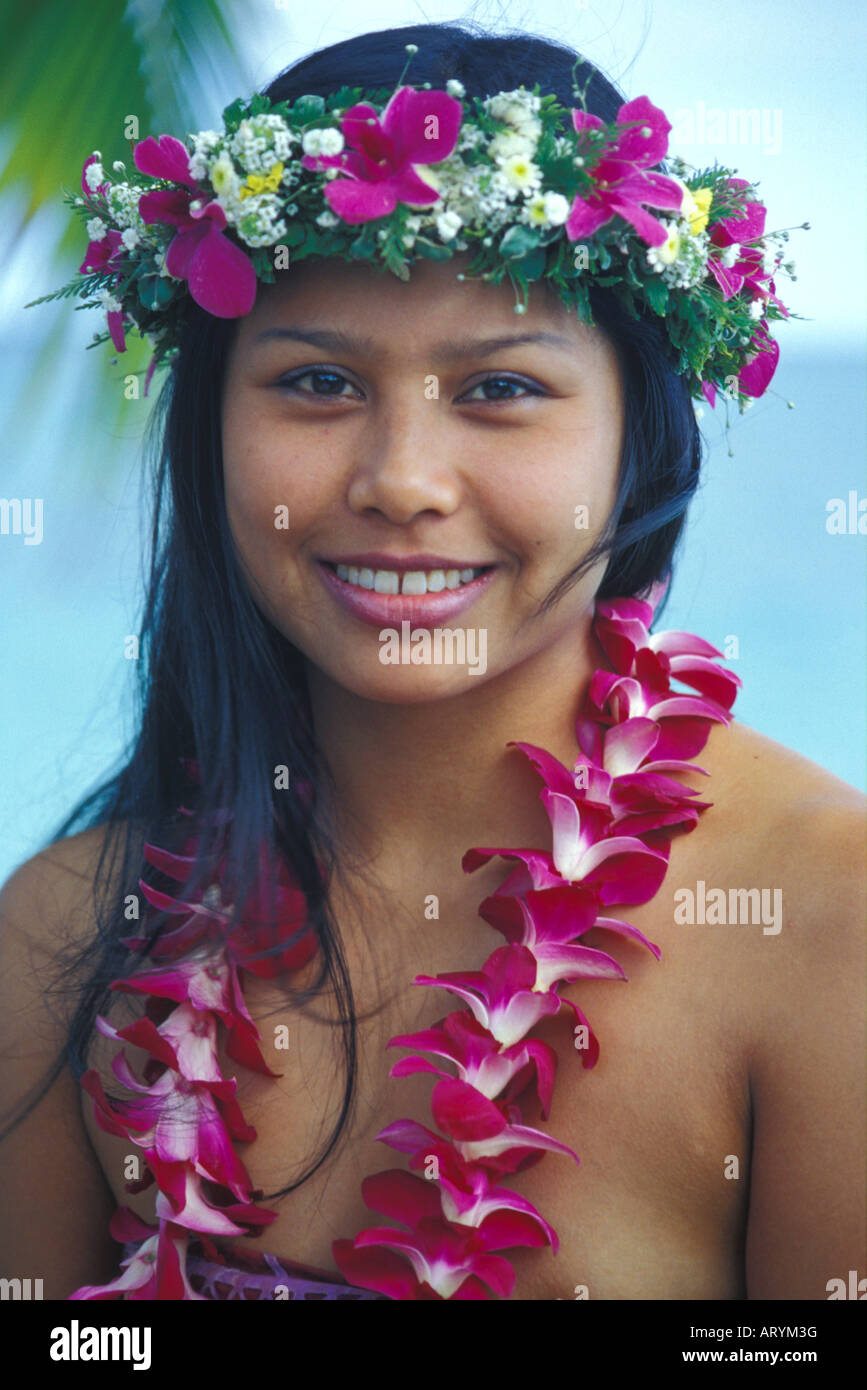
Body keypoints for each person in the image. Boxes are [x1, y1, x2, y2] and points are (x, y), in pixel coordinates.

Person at [1, 20, 864, 1303]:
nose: (401, 480)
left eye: (501, 389)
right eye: (316, 382)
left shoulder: (829, 920)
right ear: (210, 428)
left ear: (641, 436)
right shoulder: (66, 932)